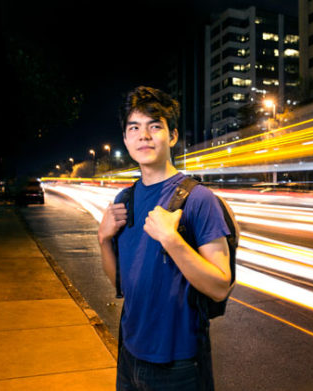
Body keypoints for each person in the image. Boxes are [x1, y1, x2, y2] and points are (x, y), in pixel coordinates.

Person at [98, 86, 231, 390]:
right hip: (129, 354)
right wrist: (103, 239)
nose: (143, 135)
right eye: (134, 127)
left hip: (179, 365)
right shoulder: (125, 200)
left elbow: (220, 286)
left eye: (154, 126)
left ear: (172, 136)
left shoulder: (198, 199)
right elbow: (120, 283)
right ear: (126, 139)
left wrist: (172, 240)